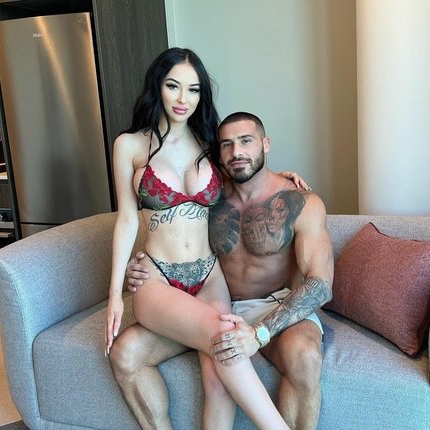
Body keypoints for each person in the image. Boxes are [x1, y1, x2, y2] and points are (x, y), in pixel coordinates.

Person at [105, 48, 290, 430]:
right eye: (173, 86)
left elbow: (245, 172)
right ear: (157, 86)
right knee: (225, 335)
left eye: (193, 89)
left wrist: (283, 178)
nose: (183, 99)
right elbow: (126, 219)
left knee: (219, 375)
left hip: (209, 276)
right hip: (157, 277)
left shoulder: (209, 142)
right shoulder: (130, 145)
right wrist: (114, 294)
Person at [116, 111, 334, 429]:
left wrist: (259, 333)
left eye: (246, 141)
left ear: (266, 144)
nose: (237, 152)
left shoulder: (300, 203)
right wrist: (139, 263)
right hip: (212, 306)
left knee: (305, 357)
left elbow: (320, 285)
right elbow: (167, 232)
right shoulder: (210, 196)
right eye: (227, 145)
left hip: (274, 305)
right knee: (125, 352)